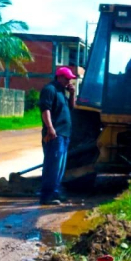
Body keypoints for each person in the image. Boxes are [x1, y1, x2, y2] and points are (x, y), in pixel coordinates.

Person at [39, 66, 77, 206]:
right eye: (67, 79)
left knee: (60, 167)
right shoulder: (50, 90)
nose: (69, 81)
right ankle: (46, 195)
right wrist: (50, 128)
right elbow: (45, 110)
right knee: (52, 165)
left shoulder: (62, 92)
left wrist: (72, 94)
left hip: (64, 134)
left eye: (70, 79)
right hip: (55, 134)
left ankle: (55, 192)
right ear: (59, 77)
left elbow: (72, 108)